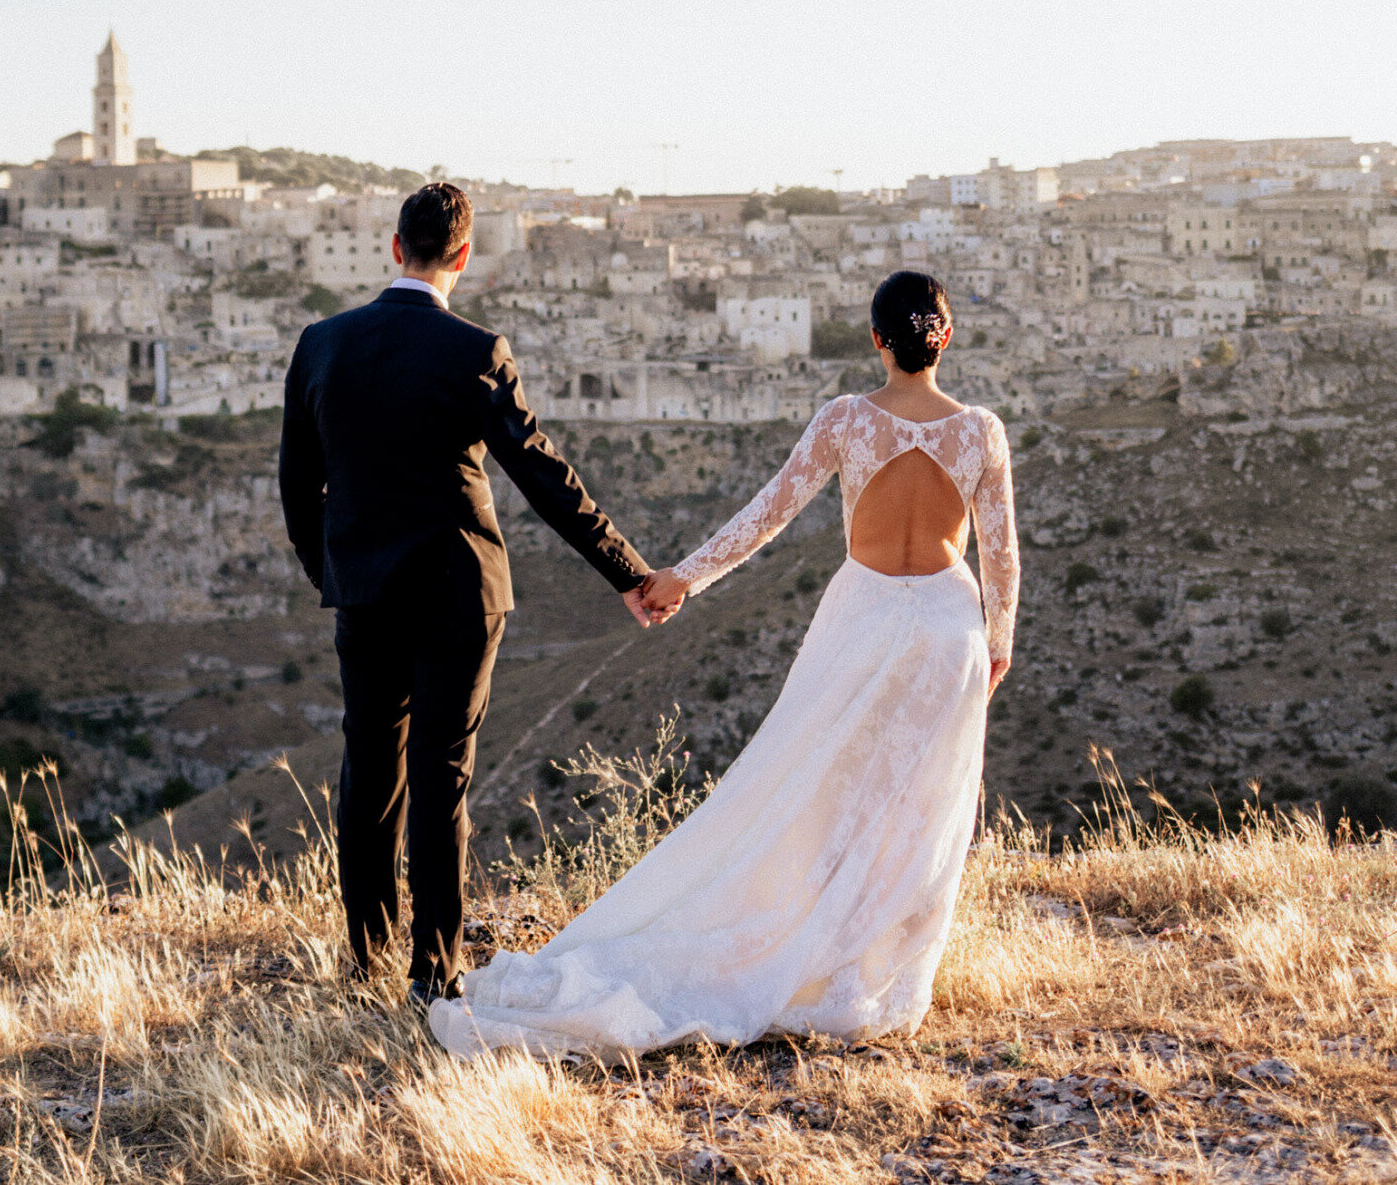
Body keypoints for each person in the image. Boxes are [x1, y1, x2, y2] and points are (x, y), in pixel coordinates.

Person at [429, 268, 1016, 1056]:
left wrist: (682, 577)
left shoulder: (846, 421)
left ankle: (805, 948)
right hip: (950, 629)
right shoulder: (981, 430)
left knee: (817, 788)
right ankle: (871, 974)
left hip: (865, 615)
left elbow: (766, 514)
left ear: (877, 339)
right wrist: (999, 640)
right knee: (916, 808)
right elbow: (1002, 554)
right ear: (946, 337)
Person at [279, 182, 674, 1005]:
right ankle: (435, 969)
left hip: (365, 593)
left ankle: (364, 958)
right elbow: (543, 474)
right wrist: (628, 571)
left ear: (394, 247)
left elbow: (296, 485)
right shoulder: (475, 350)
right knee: (442, 776)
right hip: (460, 590)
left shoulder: (322, 345)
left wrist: (336, 572)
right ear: (463, 256)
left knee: (370, 771)